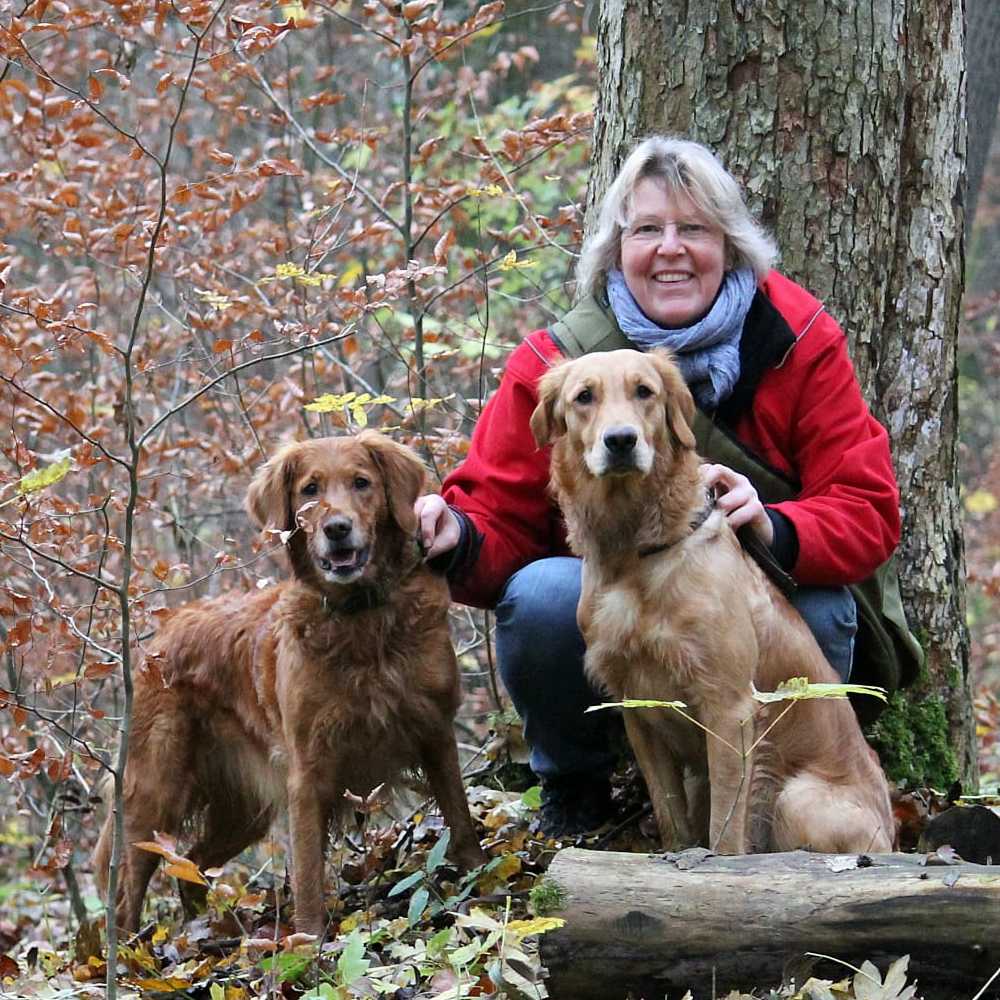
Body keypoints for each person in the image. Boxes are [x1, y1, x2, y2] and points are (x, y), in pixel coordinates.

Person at [413, 136, 901, 838]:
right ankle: (579, 796)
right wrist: (458, 533)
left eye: (693, 229)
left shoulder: (798, 339)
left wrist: (775, 523)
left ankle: (767, 827)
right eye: (647, 230)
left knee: (822, 613)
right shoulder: (557, 362)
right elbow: (500, 510)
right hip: (620, 598)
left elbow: (869, 508)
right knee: (543, 597)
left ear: (728, 244)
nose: (670, 249)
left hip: (770, 595)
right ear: (618, 249)